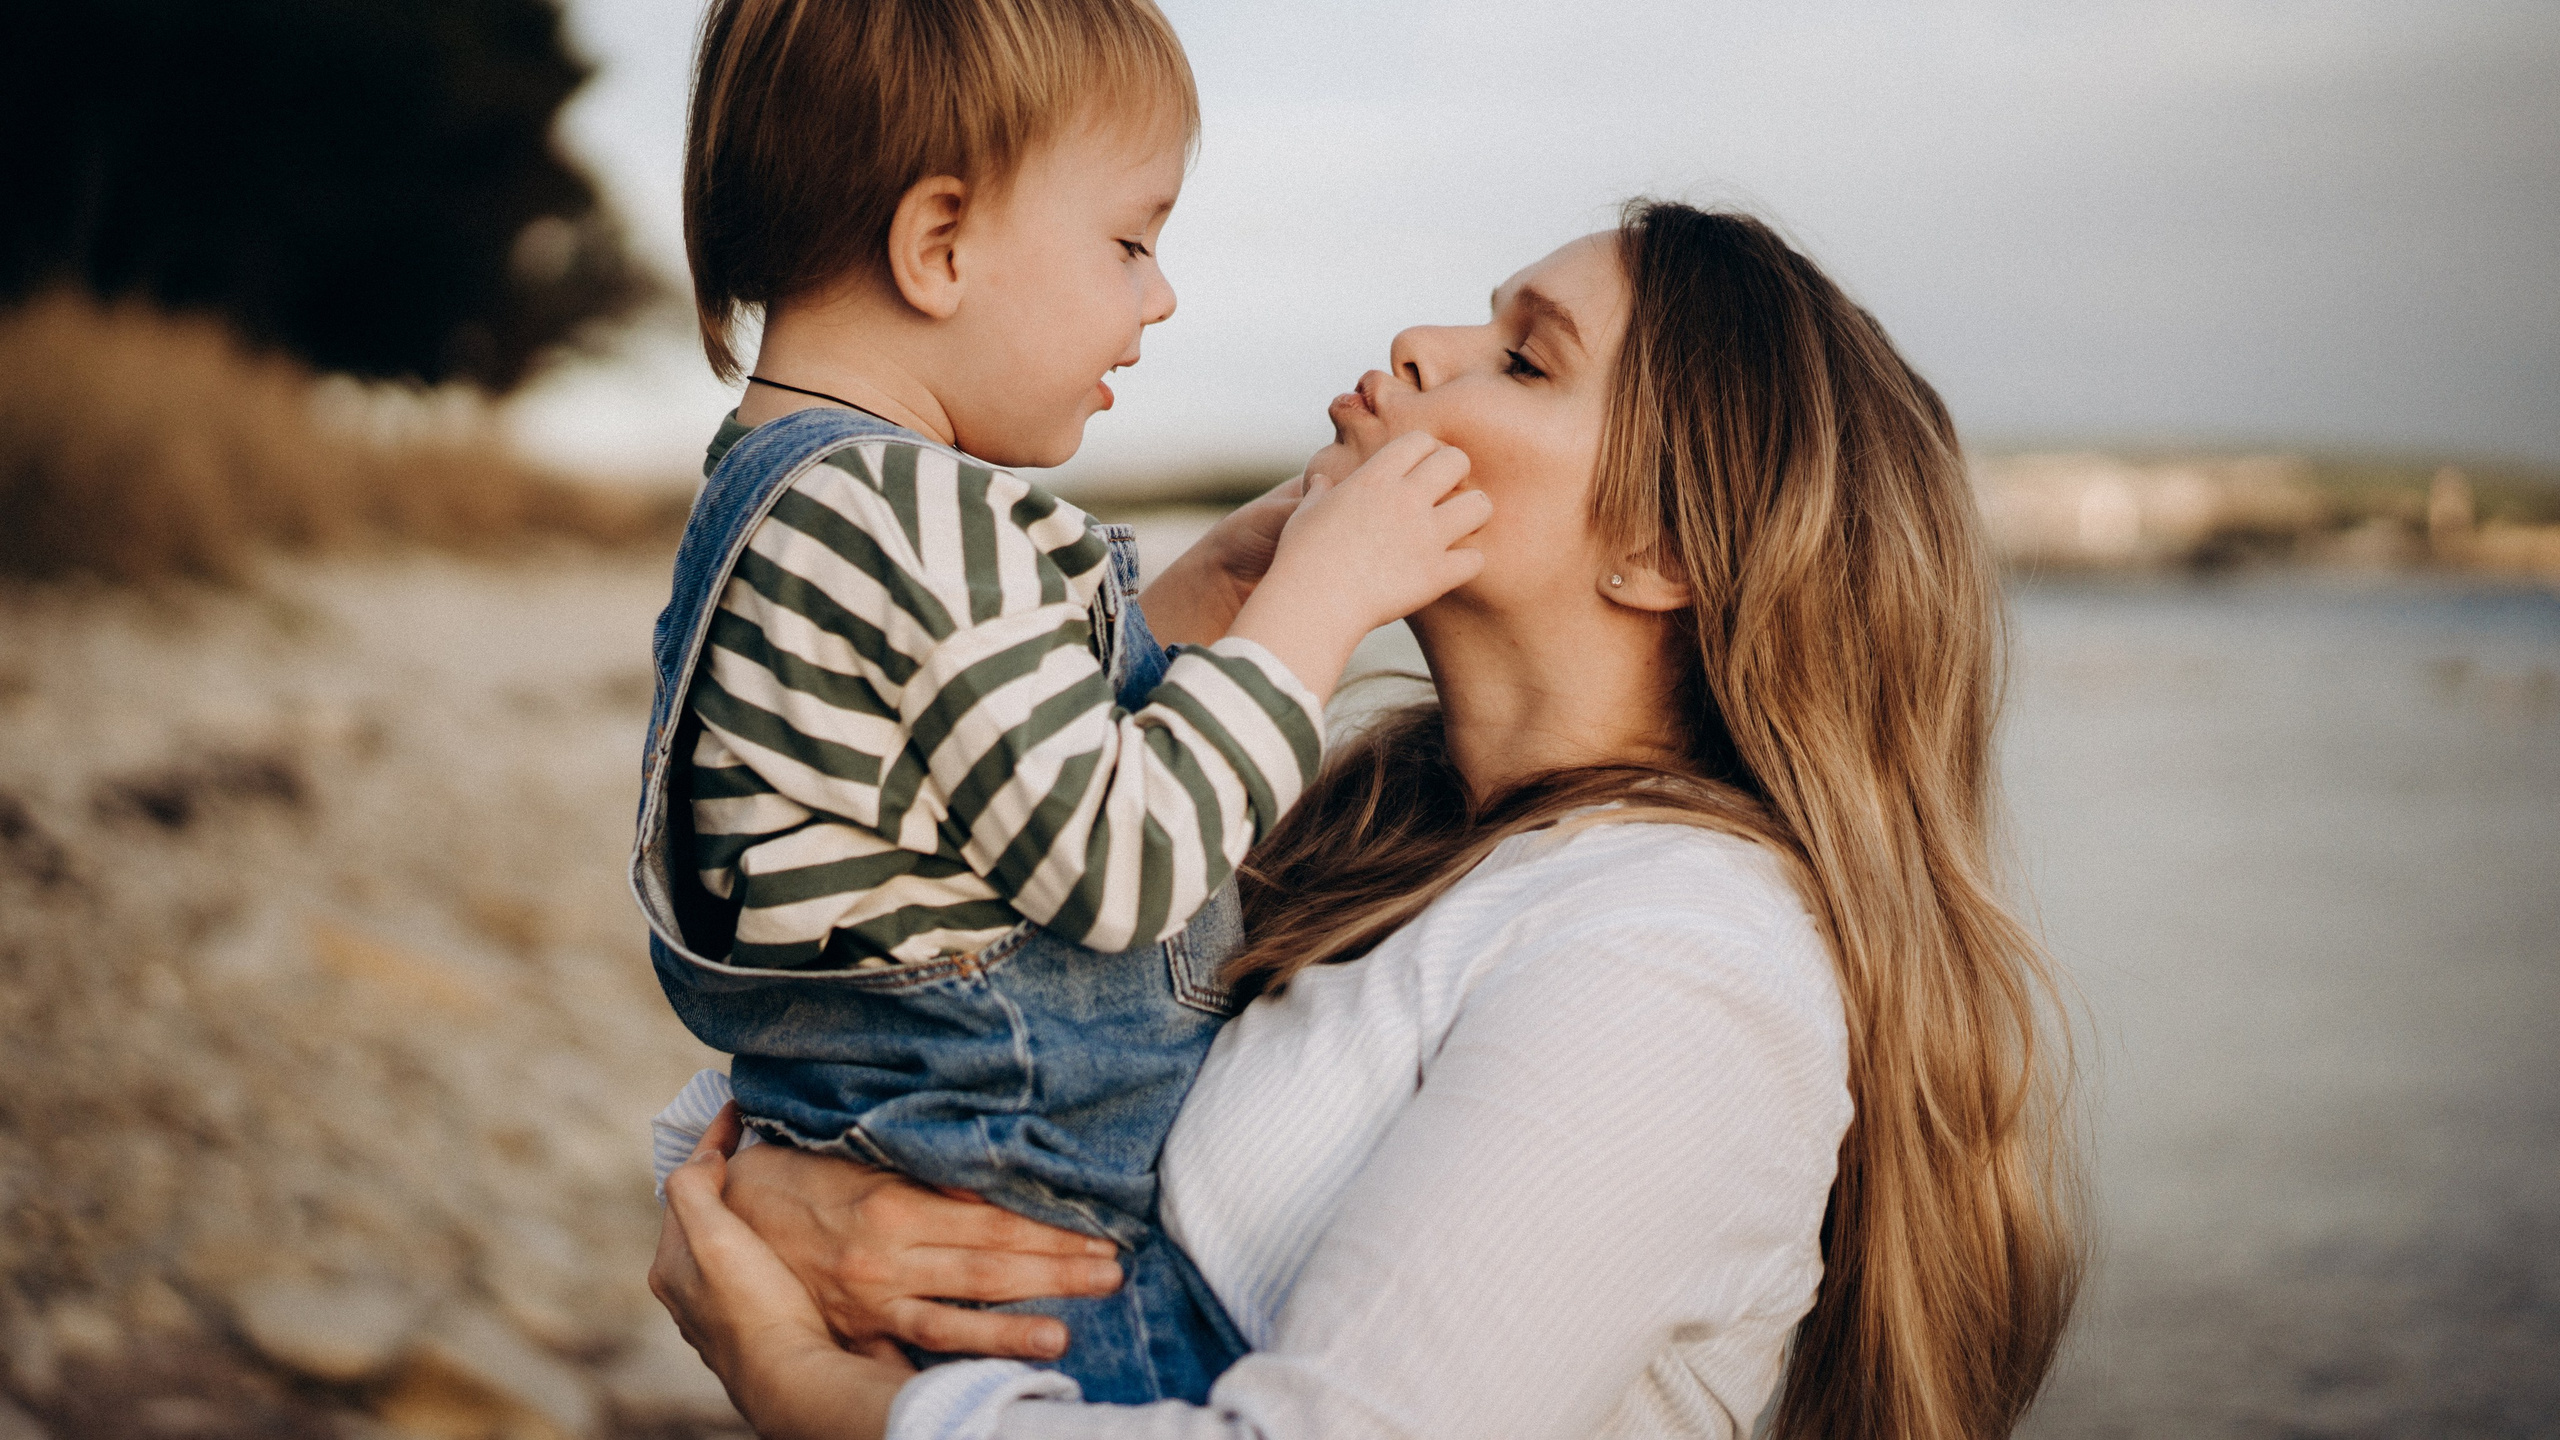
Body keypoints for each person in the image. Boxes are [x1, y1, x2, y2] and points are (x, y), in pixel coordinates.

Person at [650, 202, 2087, 1440]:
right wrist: (772, 1204)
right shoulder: (1366, 832)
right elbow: (931, 1018)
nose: (1419, 344)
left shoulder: (1675, 957)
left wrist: (813, 1388)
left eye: (1523, 359)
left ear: (1661, 546)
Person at [634, 0, 1493, 1406]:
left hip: (912, 1191)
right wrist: (1319, 606)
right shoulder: (919, 509)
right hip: (1046, 1257)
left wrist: (1226, 582)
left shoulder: (782, 490)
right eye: (1131, 243)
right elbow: (1120, 861)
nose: (1161, 298)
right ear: (940, 246)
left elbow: (999, 760)